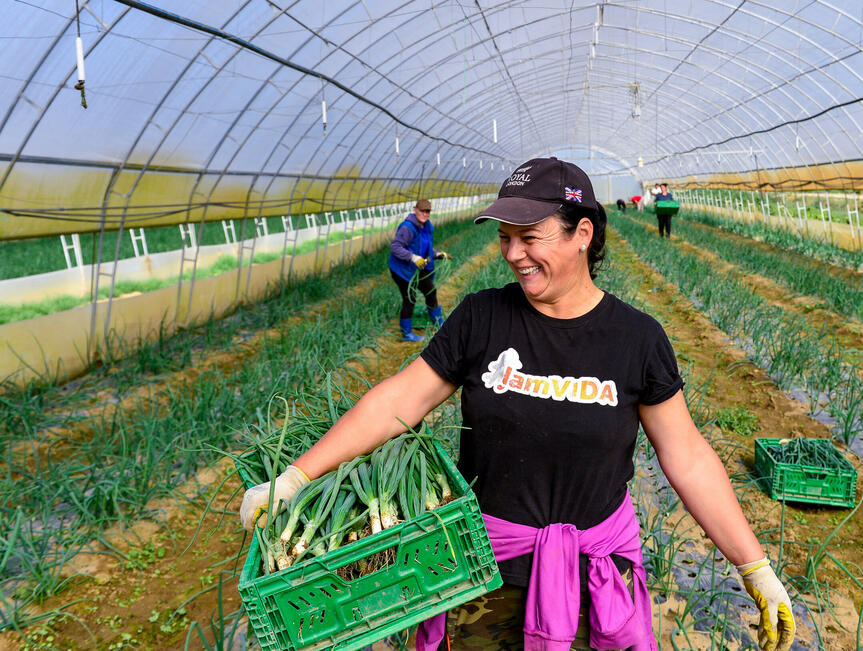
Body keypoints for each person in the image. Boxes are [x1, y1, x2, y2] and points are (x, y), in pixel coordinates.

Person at [239, 157, 795, 651]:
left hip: (590, 576)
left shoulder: (636, 339)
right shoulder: (483, 317)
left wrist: (754, 566)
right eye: (505, 238)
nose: (512, 254)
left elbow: (688, 456)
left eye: (529, 237)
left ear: (582, 233)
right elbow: (399, 400)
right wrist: (295, 477)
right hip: (482, 573)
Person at [388, 198, 449, 341]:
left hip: (416, 268)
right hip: (402, 270)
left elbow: (423, 247)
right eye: (422, 211)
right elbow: (395, 247)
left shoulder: (426, 227)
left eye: (428, 211)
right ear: (415, 210)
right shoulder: (407, 227)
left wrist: (437, 253)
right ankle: (407, 334)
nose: (425, 214)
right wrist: (412, 257)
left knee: (430, 291)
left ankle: (438, 323)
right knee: (410, 298)